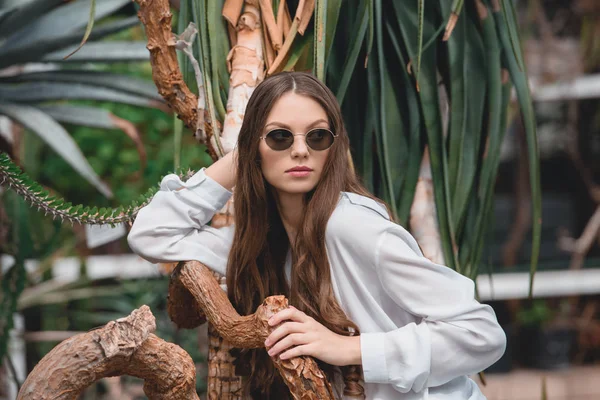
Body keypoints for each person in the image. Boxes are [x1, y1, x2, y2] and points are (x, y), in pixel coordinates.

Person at [127, 71, 506, 399]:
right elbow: (151, 234)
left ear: (333, 147)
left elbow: (481, 334)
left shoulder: (353, 228)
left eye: (317, 137)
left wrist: (348, 348)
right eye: (279, 138)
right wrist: (239, 159)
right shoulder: (259, 240)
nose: (300, 151)